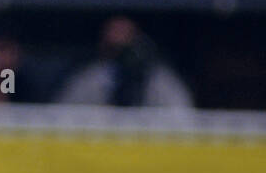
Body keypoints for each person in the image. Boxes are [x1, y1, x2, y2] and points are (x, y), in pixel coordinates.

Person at [57, 16, 194, 108]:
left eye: (127, 48)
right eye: (114, 48)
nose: (122, 57)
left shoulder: (161, 83)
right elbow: (61, 117)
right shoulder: (89, 81)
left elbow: (184, 120)